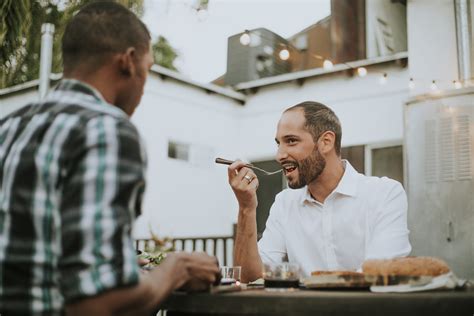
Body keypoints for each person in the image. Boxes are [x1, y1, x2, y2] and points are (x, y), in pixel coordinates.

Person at [0, 2, 220, 315]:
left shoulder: (9, 126)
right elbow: (100, 302)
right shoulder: (107, 129)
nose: (144, 86)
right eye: (148, 69)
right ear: (129, 62)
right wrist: (176, 268)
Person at [228, 101, 411, 282]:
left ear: (326, 142)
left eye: (291, 141)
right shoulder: (284, 203)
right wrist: (246, 207)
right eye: (279, 144)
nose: (279, 155)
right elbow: (247, 276)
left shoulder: (385, 194)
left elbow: (381, 272)